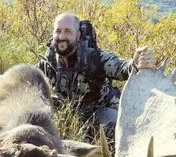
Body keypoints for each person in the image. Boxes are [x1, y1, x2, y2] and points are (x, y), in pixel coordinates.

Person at [37, 12, 155, 140]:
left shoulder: (94, 58)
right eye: (58, 31)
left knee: (117, 125)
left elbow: (121, 68)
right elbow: (29, 76)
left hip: (99, 111)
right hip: (69, 115)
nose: (61, 36)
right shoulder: (49, 60)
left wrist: (136, 64)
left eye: (68, 31)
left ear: (78, 35)